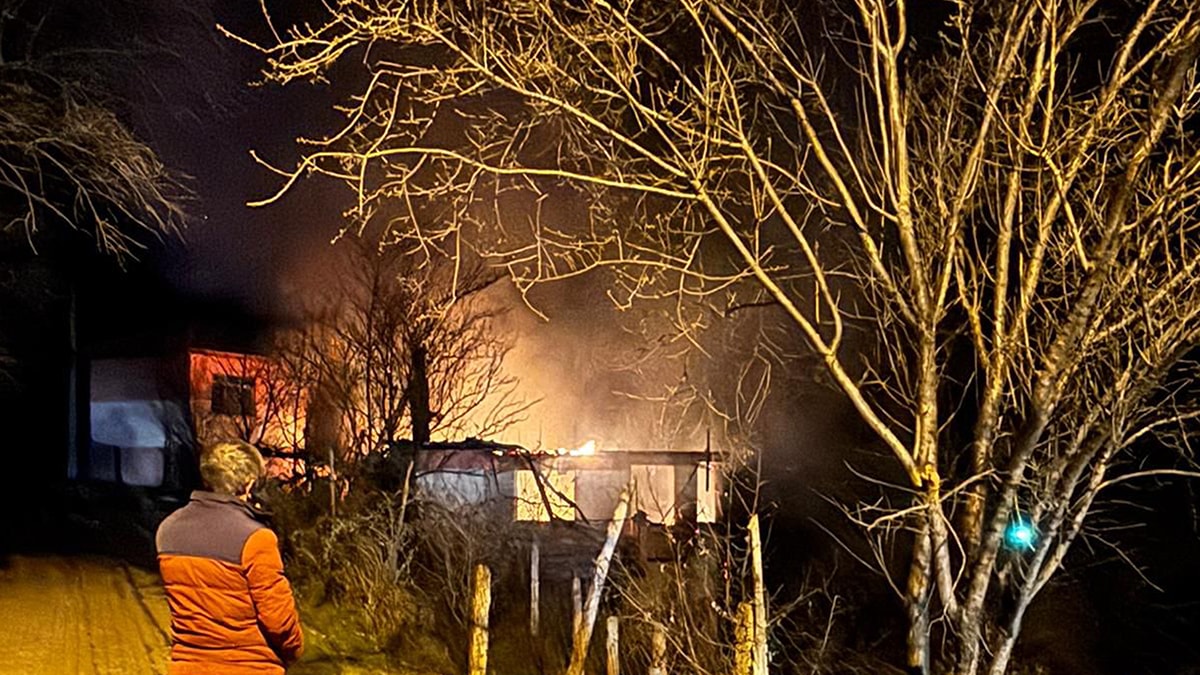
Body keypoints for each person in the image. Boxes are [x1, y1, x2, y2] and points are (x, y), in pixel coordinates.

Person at [156, 439, 304, 674]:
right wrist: (294, 650)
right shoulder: (256, 538)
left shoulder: (168, 530)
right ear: (249, 484)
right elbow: (278, 621)